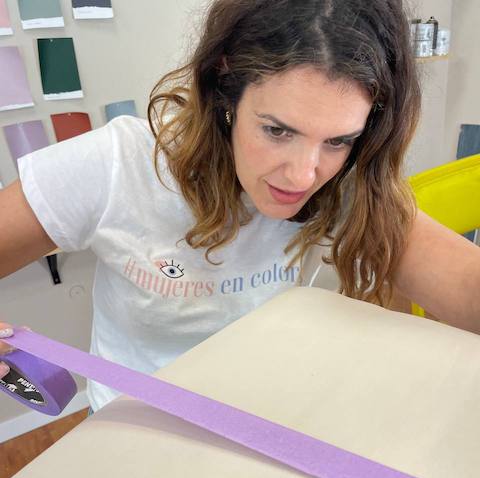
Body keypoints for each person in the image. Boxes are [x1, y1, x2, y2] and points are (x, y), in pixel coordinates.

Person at [1, 0, 479, 413]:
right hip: (133, 424)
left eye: (338, 140)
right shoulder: (118, 163)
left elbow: (464, 286)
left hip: (262, 423)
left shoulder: (352, 177)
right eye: (277, 130)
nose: (303, 176)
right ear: (226, 85)